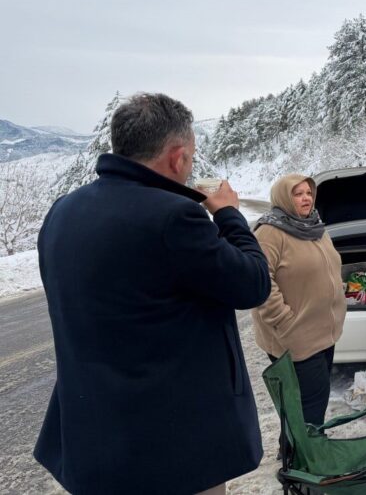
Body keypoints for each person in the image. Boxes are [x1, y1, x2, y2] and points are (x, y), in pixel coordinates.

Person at [35, 93, 271, 495]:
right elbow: (252, 283)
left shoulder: (63, 211)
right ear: (177, 158)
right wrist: (229, 213)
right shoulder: (175, 218)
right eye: (192, 157)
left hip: (93, 437)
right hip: (170, 449)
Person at [252, 174, 346, 428]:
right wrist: (283, 320)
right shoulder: (270, 233)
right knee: (309, 404)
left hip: (323, 331)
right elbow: (259, 280)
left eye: (308, 193)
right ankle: (307, 458)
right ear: (283, 197)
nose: (306, 198)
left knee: (314, 400)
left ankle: (299, 451)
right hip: (296, 334)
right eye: (298, 194)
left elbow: (327, 267)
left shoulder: (314, 226)